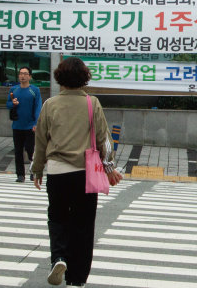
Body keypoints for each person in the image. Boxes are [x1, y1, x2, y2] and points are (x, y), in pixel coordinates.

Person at [32, 57, 122, 287]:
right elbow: (105, 140)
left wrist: (37, 169)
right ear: (84, 77)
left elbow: (41, 141)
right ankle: (77, 279)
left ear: (60, 78)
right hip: (85, 174)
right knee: (83, 225)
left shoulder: (50, 105)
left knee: (58, 218)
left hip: (57, 172)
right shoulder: (93, 103)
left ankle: (59, 257)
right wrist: (109, 167)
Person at [6, 66, 42, 182]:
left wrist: (36, 123)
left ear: (30, 76)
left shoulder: (34, 90)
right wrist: (13, 103)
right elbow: (8, 104)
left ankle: (33, 171)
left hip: (30, 125)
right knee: (18, 150)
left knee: (30, 149)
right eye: (21, 73)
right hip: (17, 125)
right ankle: (20, 175)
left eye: (25, 74)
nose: (23, 76)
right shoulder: (14, 90)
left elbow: (38, 107)